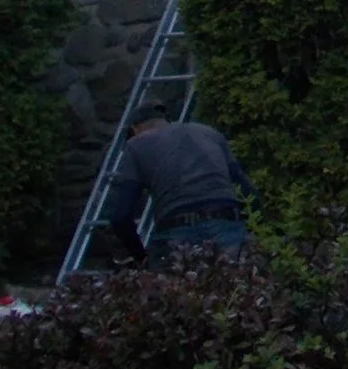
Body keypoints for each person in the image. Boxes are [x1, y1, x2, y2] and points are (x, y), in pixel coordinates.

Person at [102, 104, 254, 266]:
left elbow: (120, 217)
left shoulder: (136, 145)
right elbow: (247, 191)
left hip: (176, 233)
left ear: (135, 129)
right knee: (235, 286)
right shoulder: (209, 133)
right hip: (227, 227)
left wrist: (142, 258)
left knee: (174, 287)